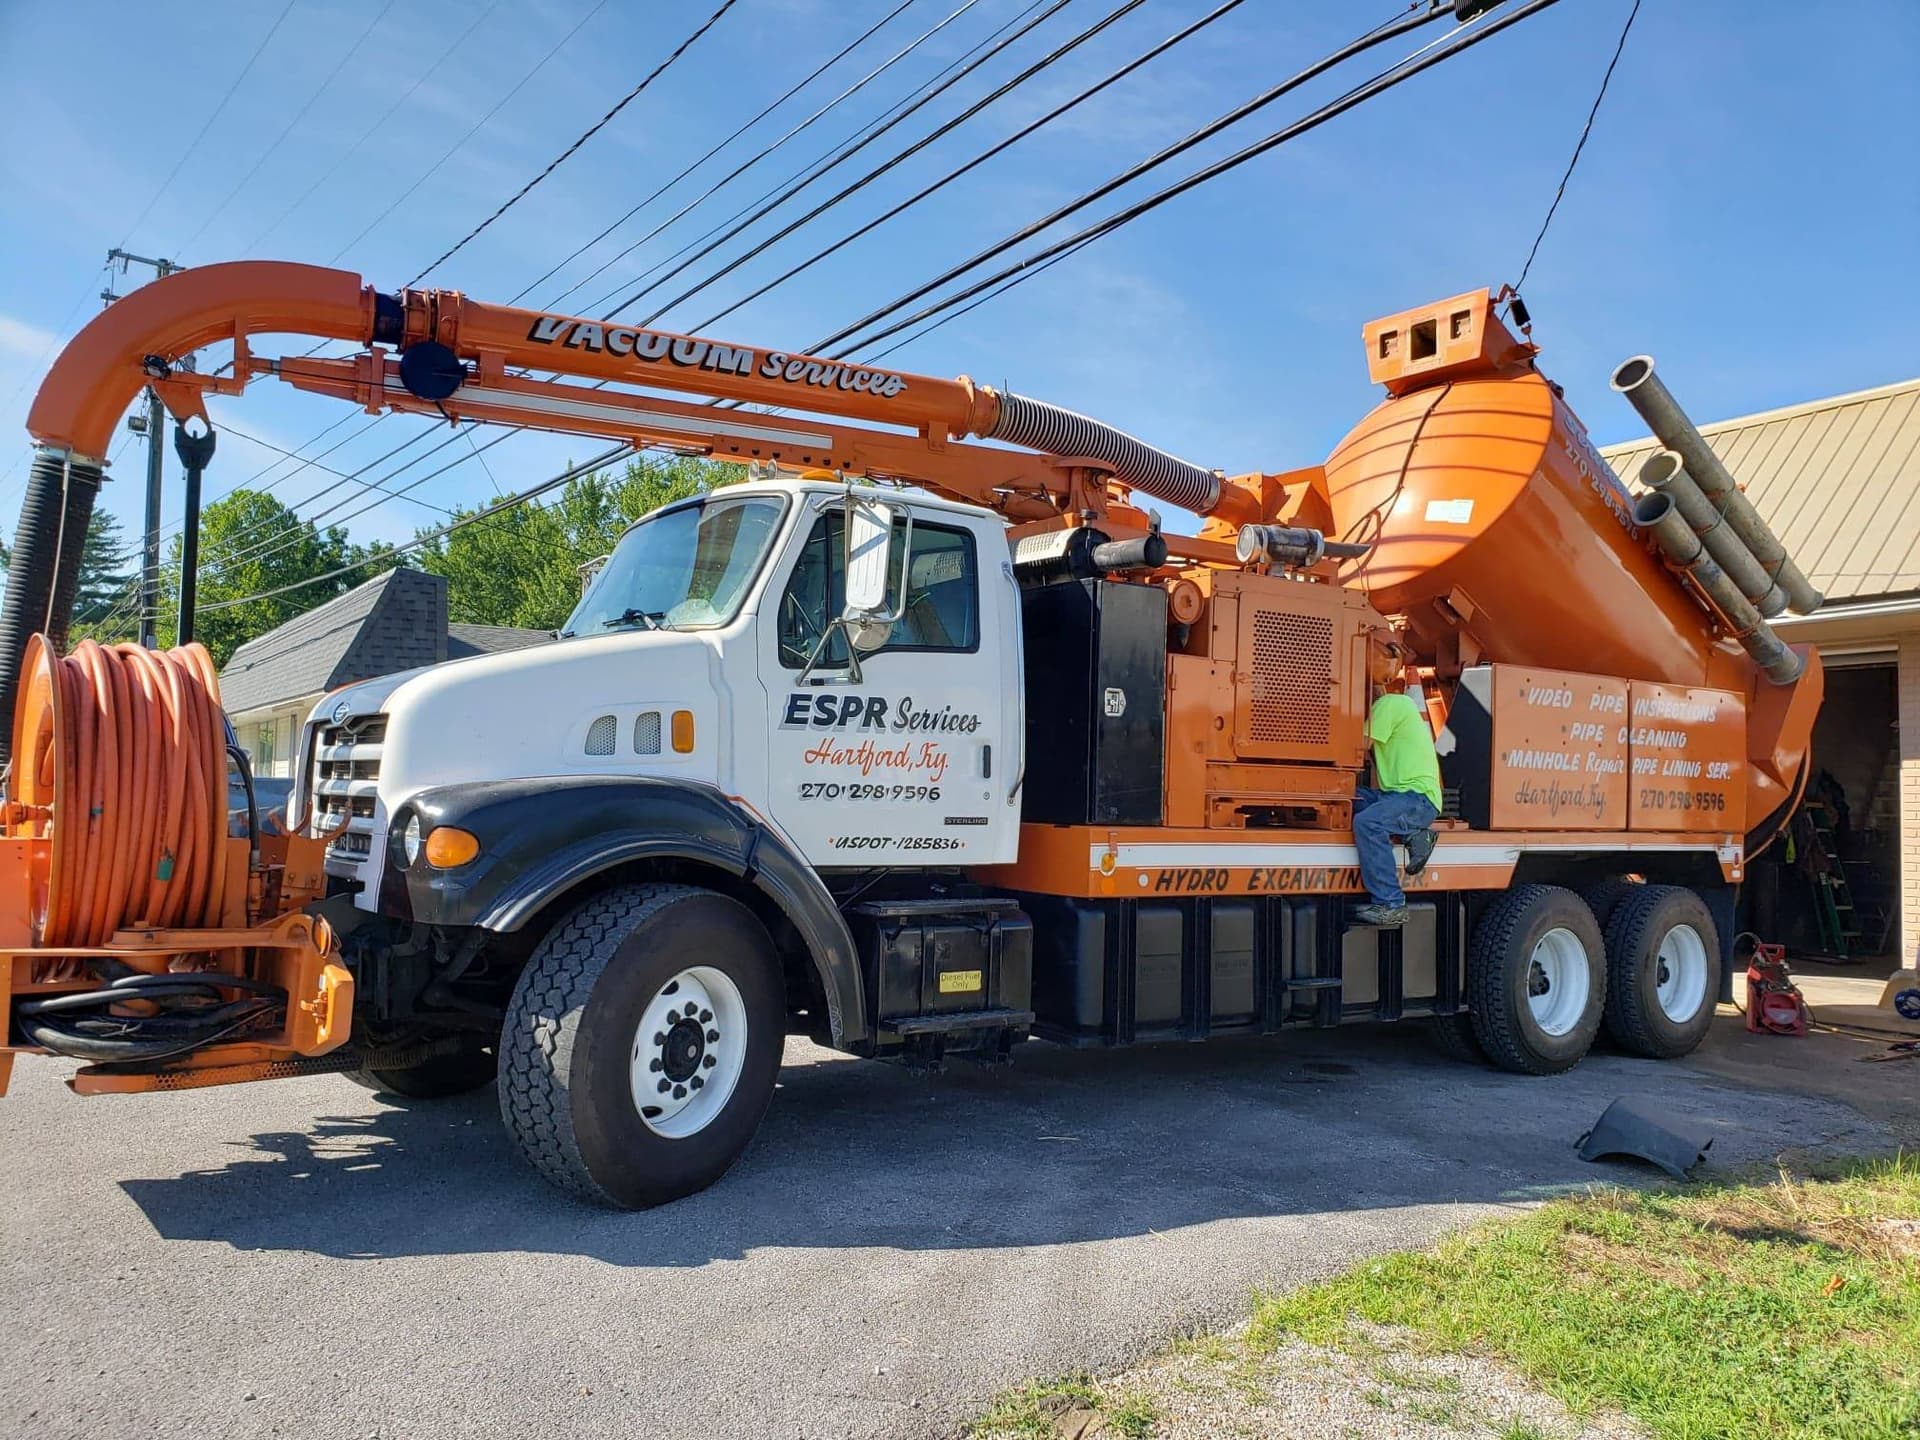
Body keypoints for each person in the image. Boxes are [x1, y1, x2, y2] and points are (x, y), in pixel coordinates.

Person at [1352, 632, 1441, 927]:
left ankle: (1391, 903)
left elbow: (1356, 748)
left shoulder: (1389, 707)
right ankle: (1415, 835)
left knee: (1367, 822)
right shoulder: (1392, 706)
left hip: (1417, 798)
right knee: (1348, 800)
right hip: (1398, 797)